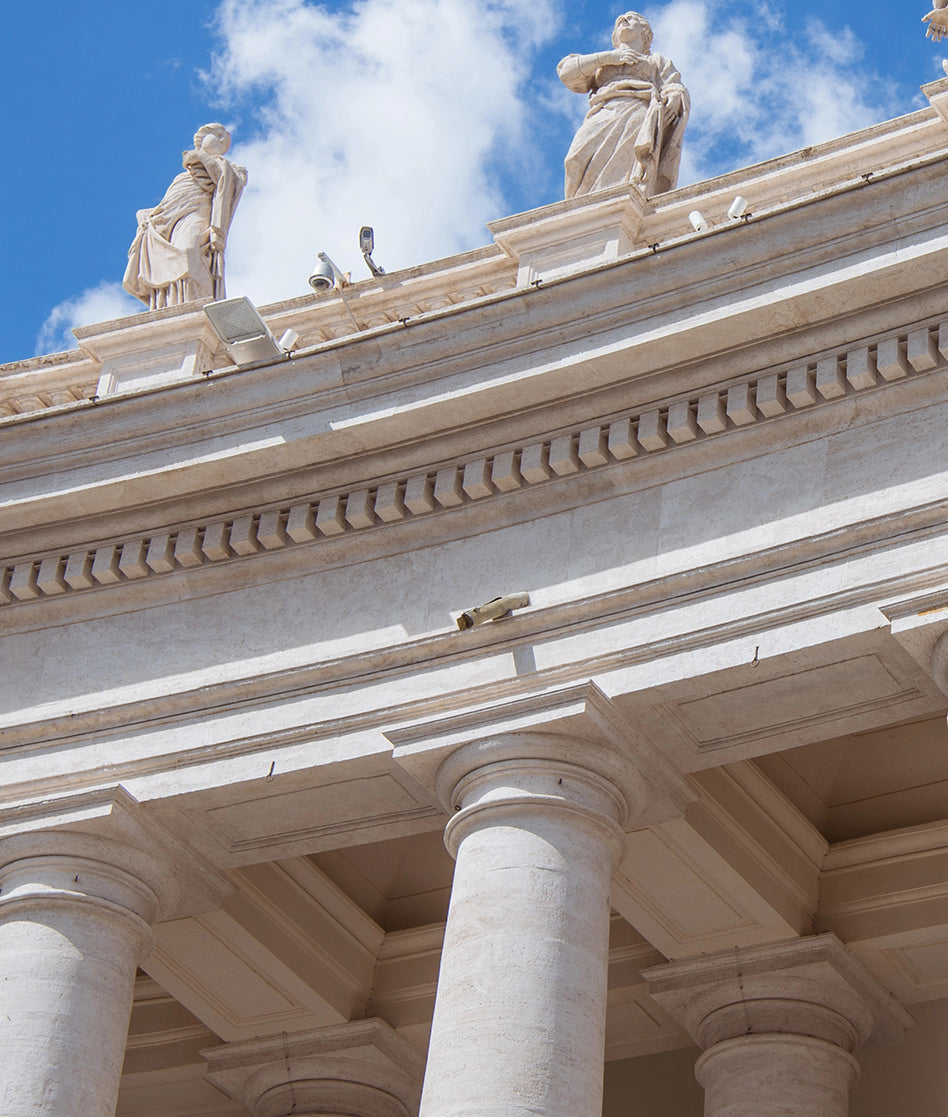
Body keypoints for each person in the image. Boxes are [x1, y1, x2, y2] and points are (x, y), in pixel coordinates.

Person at [558, 12, 689, 200]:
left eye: (631, 19)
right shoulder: (603, 63)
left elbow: (674, 86)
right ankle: (580, 209)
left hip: (636, 112)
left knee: (626, 165)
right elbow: (567, 74)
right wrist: (610, 57)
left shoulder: (656, 61)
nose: (623, 21)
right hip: (604, 112)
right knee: (575, 158)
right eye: (619, 21)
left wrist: (674, 97)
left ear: (645, 33)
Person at [123, 124, 247, 310]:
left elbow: (226, 184)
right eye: (218, 135)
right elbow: (168, 204)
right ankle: (169, 305)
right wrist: (147, 215)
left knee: (189, 251)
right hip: (169, 222)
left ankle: (192, 303)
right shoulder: (182, 177)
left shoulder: (233, 169)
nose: (222, 141)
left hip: (197, 216)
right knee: (177, 257)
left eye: (225, 138)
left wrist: (202, 157)